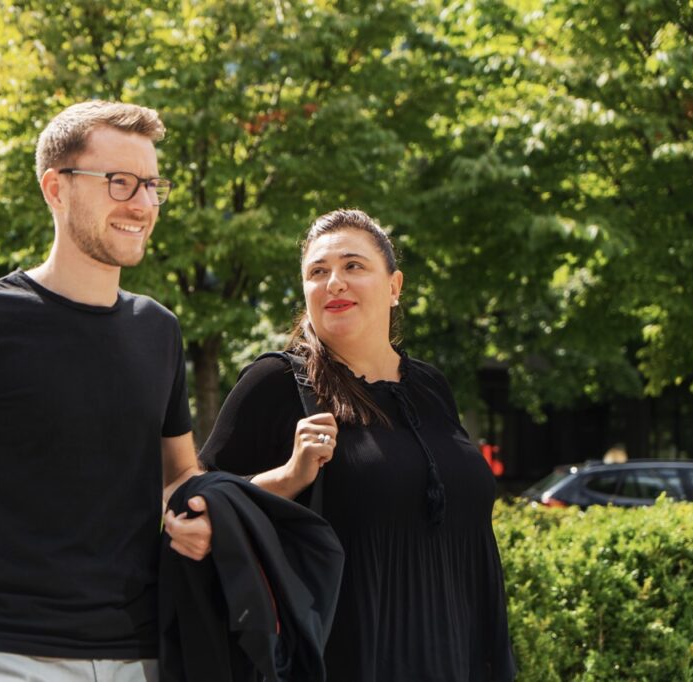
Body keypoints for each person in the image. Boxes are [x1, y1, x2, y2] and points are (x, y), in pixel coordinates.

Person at [0, 101, 211, 682]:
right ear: (56, 188)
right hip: (4, 656)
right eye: (120, 182)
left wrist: (197, 512)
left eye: (153, 186)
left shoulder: (159, 331)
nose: (142, 204)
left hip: (140, 655)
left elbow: (179, 471)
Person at [200, 209, 515, 681]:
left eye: (353, 265)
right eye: (317, 272)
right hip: (349, 659)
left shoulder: (430, 386)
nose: (334, 283)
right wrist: (289, 477)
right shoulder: (277, 382)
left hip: (457, 655)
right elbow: (196, 506)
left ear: (394, 286)